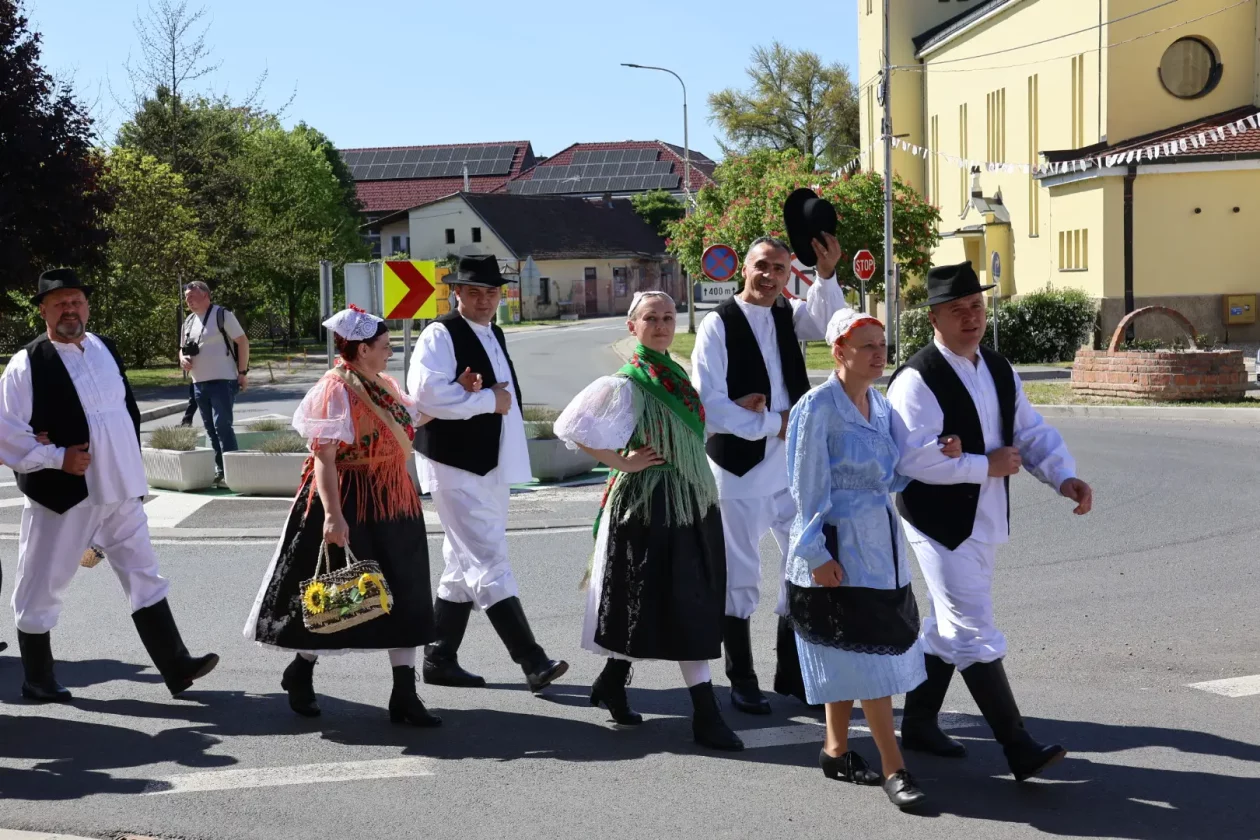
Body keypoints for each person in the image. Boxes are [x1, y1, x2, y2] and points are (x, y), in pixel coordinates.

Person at [888, 261, 1094, 783]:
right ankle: (1016, 745)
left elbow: (1029, 431)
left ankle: (917, 723)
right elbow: (912, 459)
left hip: (983, 515)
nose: (971, 318)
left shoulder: (997, 367)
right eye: (958, 310)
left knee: (948, 626)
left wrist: (1063, 476)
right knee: (973, 626)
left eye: (977, 307)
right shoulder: (916, 379)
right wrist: (986, 465)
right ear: (933, 318)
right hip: (937, 521)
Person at [245, 307, 471, 726]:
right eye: (384, 347)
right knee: (343, 593)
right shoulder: (334, 389)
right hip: (349, 499)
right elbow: (324, 460)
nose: (390, 353)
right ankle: (301, 670)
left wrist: (456, 389)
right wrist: (332, 517)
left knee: (406, 592)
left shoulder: (382, 383)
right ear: (362, 348)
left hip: (394, 497)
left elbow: (410, 419)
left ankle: (404, 695)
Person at [0, 268, 218, 702]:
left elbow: (122, 414)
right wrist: (58, 457)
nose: (70, 310)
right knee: (43, 583)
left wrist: (135, 475)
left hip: (120, 487)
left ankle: (177, 666)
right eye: (60, 303)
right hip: (64, 495)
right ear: (43, 310)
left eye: (77, 301)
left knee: (144, 574)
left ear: (87, 306)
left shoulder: (103, 347)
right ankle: (38, 678)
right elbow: (8, 432)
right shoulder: (28, 363)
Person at [786, 309, 964, 810]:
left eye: (882, 345)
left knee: (853, 652)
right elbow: (804, 488)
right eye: (866, 346)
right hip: (836, 548)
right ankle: (894, 765)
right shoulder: (816, 407)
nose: (878, 354)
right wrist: (816, 552)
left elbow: (892, 477)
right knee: (869, 662)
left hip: (881, 549)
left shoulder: (881, 407)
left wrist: (938, 452)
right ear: (839, 351)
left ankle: (836, 749)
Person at [555, 291, 743, 751]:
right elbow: (572, 428)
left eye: (666, 317)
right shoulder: (629, 381)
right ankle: (705, 714)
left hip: (691, 502)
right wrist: (624, 463)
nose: (660, 325)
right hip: (648, 508)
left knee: (666, 603)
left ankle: (611, 682)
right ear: (631, 326)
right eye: (650, 318)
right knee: (671, 602)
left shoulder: (675, 373)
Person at [691, 190, 847, 715]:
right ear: (744, 268)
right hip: (737, 465)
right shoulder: (717, 323)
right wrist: (768, 421)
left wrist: (826, 275)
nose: (770, 275)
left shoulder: (788, 312)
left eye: (779, 268)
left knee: (803, 560)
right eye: (762, 265)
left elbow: (834, 326)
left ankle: (792, 672)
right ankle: (741, 677)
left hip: (791, 461)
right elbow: (708, 404)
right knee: (741, 571)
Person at [409, 255, 568, 693]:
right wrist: (485, 402)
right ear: (456, 292)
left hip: (489, 462)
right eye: (474, 292)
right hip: (454, 463)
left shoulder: (493, 331)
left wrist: (489, 402)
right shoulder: (439, 333)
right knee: (487, 559)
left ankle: (439, 658)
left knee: (462, 563)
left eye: (491, 293)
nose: (484, 301)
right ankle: (532, 661)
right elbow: (426, 396)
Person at [179, 281, 249, 485]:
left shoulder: (222, 314)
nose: (189, 300)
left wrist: (243, 372)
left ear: (206, 296)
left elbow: (242, 341)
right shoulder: (189, 321)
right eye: (187, 297)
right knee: (210, 428)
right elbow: (182, 348)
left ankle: (234, 471)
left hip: (223, 380)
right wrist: (182, 358)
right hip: (199, 383)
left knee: (222, 426)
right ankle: (221, 471)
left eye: (193, 296)